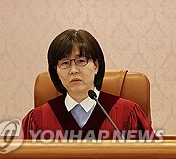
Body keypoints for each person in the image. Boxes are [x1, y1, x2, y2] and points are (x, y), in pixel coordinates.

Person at [21, 29, 154, 140]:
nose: (73, 70)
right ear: (56, 71)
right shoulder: (37, 120)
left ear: (96, 66)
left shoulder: (128, 114)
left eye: (81, 60)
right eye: (65, 63)